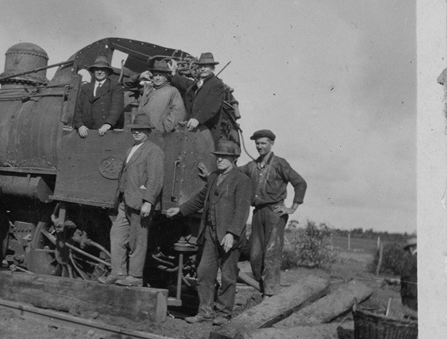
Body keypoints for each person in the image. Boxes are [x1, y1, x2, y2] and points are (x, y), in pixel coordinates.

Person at [166, 140, 251, 324]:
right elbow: (200, 199)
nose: (219, 159)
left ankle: (224, 314)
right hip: (210, 234)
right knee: (204, 272)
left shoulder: (242, 180)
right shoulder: (213, 177)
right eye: (218, 156)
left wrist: (232, 233)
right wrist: (180, 209)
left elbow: (242, 210)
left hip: (228, 236)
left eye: (224, 157)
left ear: (234, 159)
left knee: (228, 276)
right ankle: (205, 312)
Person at [98, 112, 164, 287]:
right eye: (134, 129)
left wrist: (148, 202)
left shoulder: (154, 151)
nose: (136, 132)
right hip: (125, 201)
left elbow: (156, 179)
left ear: (148, 131)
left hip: (140, 203)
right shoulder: (131, 148)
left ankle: (135, 277)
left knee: (137, 241)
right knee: (117, 236)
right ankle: (118, 272)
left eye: (140, 129)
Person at [238, 129, 307, 297]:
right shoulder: (252, 166)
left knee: (272, 254)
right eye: (257, 143)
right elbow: (234, 172)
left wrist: (292, 208)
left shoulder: (279, 163)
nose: (260, 146)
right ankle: (264, 289)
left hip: (275, 213)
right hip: (258, 213)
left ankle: (270, 295)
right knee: (255, 255)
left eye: (263, 143)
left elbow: (300, 183)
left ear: (271, 144)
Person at [168, 52, 228, 145]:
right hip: (193, 130)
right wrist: (173, 74)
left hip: (207, 132)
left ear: (212, 68)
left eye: (206, 66)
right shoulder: (198, 84)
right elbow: (184, 82)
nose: (203, 69)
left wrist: (198, 119)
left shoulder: (217, 84)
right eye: (201, 66)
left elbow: (211, 106)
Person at [73, 56, 125, 138]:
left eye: (103, 69)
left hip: (107, 131)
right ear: (93, 71)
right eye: (97, 69)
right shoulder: (86, 87)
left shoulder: (115, 86)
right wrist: (80, 125)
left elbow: (117, 108)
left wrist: (108, 124)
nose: (99, 72)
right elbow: (79, 108)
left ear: (107, 71)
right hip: (87, 131)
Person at [136, 59, 186, 132]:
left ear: (166, 77)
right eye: (155, 75)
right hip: (143, 131)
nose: (157, 78)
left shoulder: (172, 91)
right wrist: (140, 76)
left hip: (160, 133)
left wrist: (166, 127)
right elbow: (128, 84)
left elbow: (178, 112)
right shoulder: (148, 89)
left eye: (161, 75)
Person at [400, 237, 418, 312]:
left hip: (410, 291)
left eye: (407, 250)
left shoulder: (412, 258)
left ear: (411, 248)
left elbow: (405, 275)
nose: (407, 252)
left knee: (409, 313)